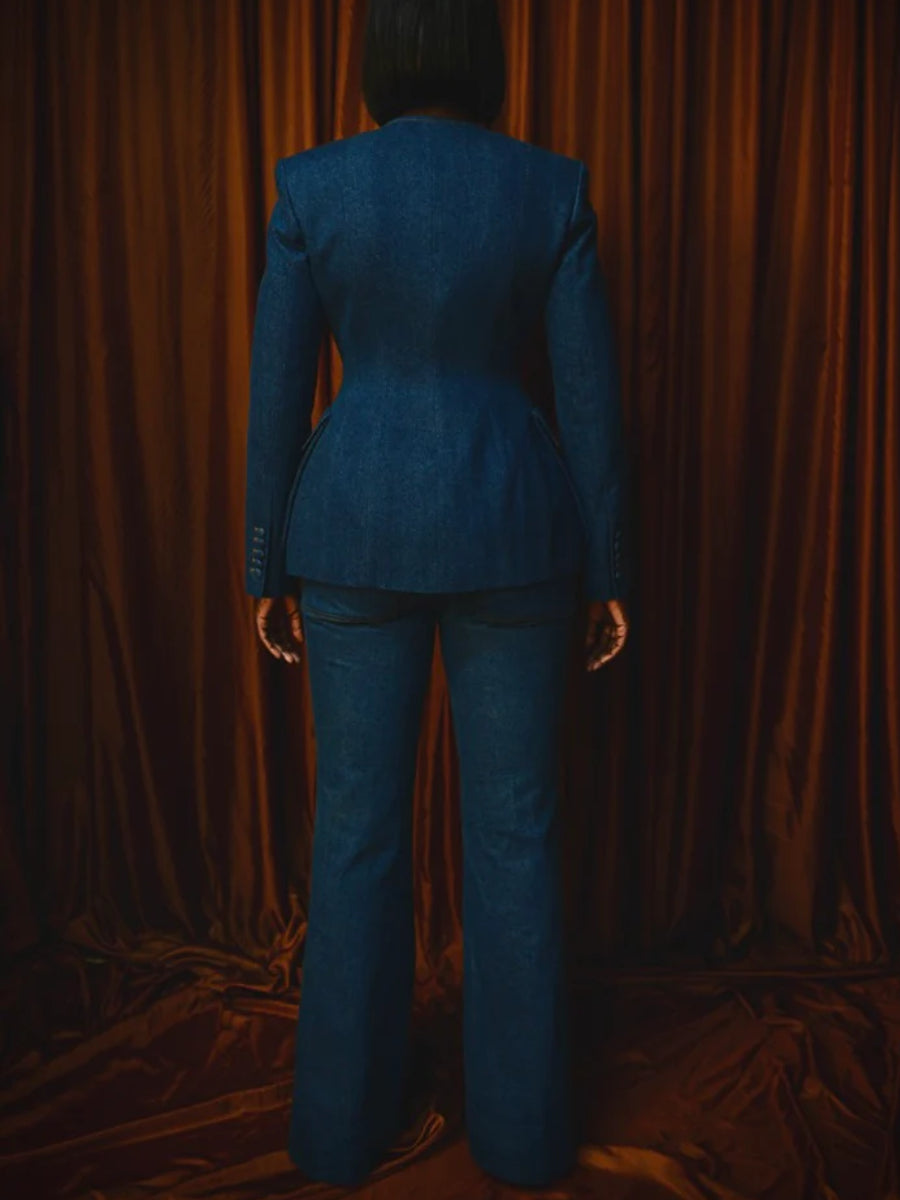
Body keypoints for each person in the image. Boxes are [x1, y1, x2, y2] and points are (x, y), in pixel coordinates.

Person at [243, 0, 633, 1187]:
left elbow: (276, 393)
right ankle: (524, 1140)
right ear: (484, 56)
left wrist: (263, 563)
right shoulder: (550, 187)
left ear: (380, 57)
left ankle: (337, 1135)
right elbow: (589, 399)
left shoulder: (313, 184)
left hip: (350, 533)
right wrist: (609, 571)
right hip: (517, 531)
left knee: (355, 830)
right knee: (516, 832)